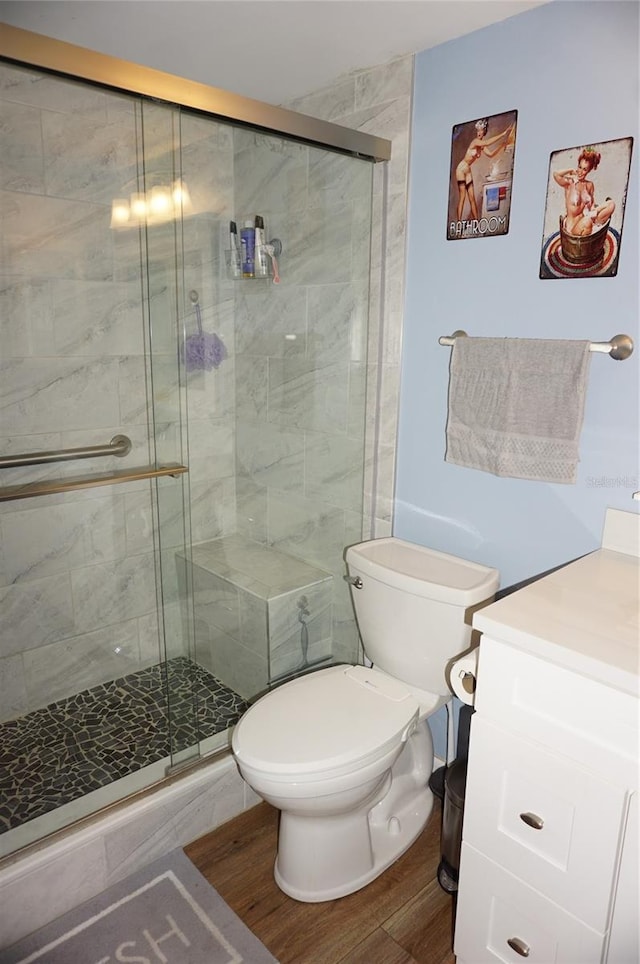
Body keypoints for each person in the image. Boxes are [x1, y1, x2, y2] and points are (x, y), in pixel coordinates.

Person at [455, 118, 515, 221]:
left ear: (484, 132)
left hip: (468, 169)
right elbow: (487, 142)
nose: (479, 133)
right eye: (478, 131)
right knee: (462, 197)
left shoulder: (481, 146)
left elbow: (491, 154)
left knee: (472, 198)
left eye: (481, 130)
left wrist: (502, 145)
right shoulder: (475, 142)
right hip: (461, 168)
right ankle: (459, 223)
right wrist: (503, 134)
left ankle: (476, 222)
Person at [553, 147, 615, 237]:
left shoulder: (589, 185)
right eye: (580, 167)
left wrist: (594, 210)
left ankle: (595, 225)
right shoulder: (570, 183)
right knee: (587, 222)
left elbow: (592, 204)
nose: (580, 172)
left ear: (589, 171)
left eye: (585, 169)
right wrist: (570, 170)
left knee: (611, 204)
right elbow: (556, 174)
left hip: (587, 220)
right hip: (573, 229)